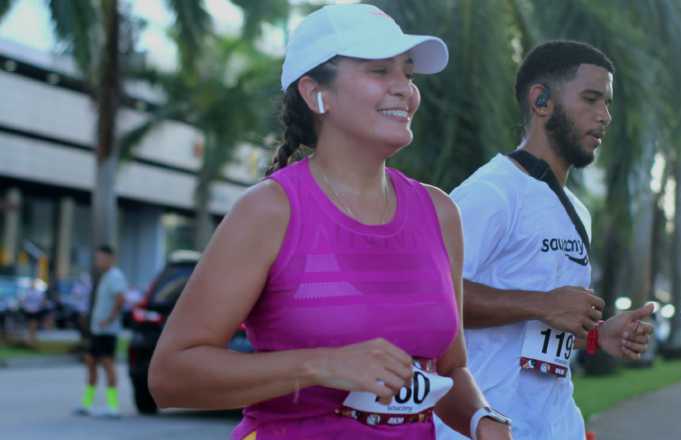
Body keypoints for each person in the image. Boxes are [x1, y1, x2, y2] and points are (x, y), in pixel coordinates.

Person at [149, 4, 511, 440]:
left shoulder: (439, 213)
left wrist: (483, 420)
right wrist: (321, 364)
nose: (405, 90)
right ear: (315, 92)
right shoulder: (270, 210)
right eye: (380, 71)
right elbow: (170, 375)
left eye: (409, 74)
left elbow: (450, 368)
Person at [434, 41, 655, 440]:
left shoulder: (576, 209)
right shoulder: (492, 192)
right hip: (484, 427)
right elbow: (433, 297)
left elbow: (545, 321)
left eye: (607, 103)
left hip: (554, 424)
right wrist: (544, 304)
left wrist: (596, 334)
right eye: (590, 99)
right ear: (541, 101)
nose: (604, 116)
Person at [75, 244, 126, 417]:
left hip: (107, 331)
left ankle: (113, 406)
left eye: (101, 258)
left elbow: (120, 300)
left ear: (111, 258)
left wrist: (108, 320)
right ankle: (86, 403)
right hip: (97, 330)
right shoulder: (105, 276)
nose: (99, 261)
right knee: (90, 362)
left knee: (107, 364)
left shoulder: (115, 277)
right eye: (97, 258)